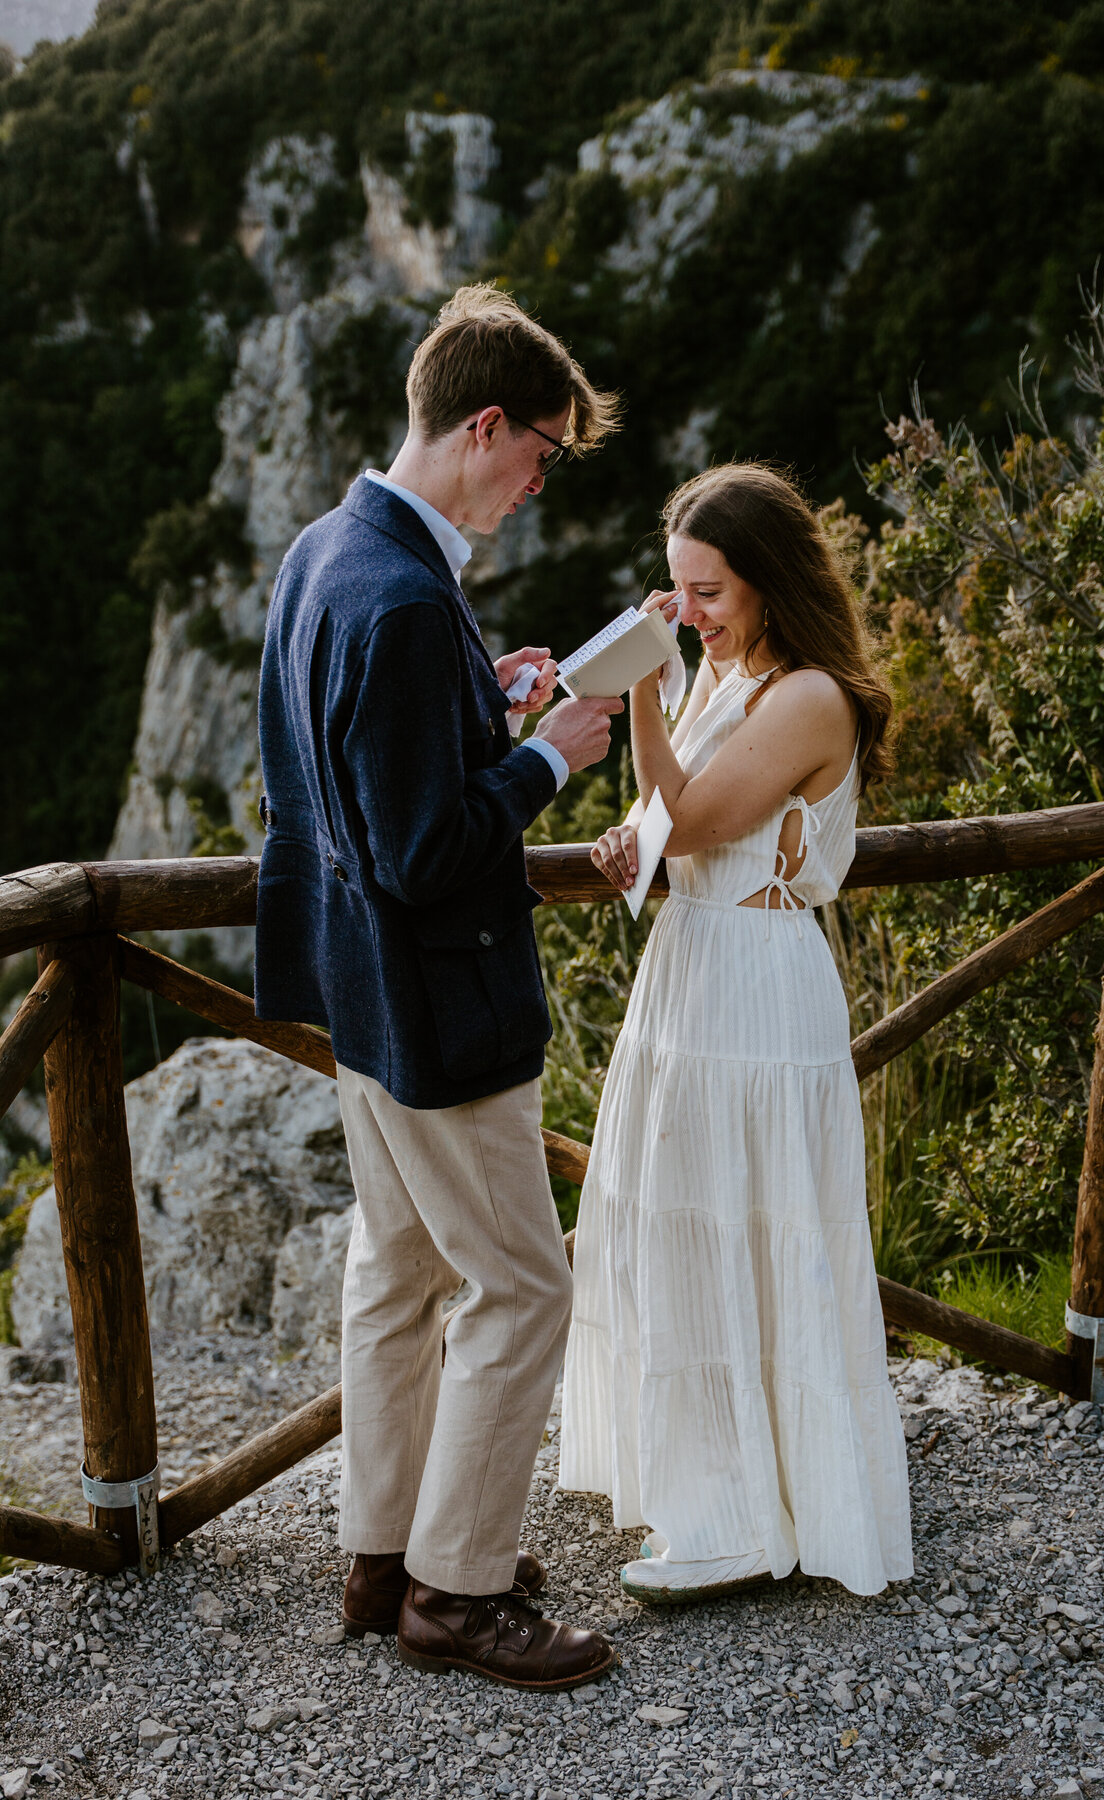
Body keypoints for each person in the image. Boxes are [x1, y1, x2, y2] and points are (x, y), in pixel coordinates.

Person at [255, 284, 624, 1689]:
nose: (537, 484)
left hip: (356, 998)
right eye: (538, 453)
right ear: (483, 424)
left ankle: (381, 1554)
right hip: (437, 998)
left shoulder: (323, 554)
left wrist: (494, 702)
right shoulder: (406, 602)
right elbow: (417, 853)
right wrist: (549, 760)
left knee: (398, 1272)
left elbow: (338, 785)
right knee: (523, 1288)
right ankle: (457, 1596)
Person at [560, 462, 914, 1603]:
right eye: (676, 591)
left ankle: (756, 1515)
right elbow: (667, 822)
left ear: (765, 582)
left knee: (752, 1227)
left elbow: (704, 817)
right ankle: (714, 1487)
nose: (688, 614)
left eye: (706, 593)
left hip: (757, 984)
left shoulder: (808, 696)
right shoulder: (723, 680)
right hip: (692, 972)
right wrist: (627, 838)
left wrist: (643, 697)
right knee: (681, 1224)